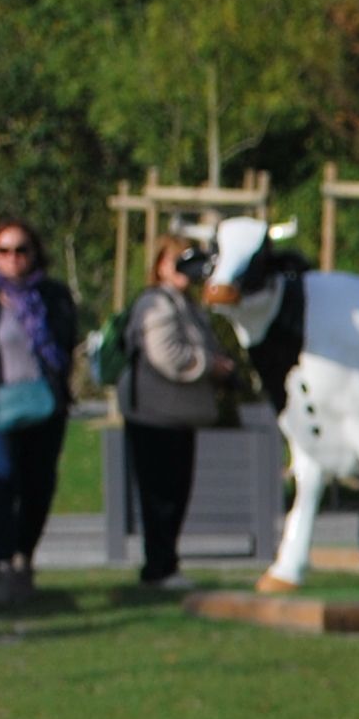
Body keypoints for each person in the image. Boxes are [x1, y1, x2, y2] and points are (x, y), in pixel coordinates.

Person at [116, 233, 238, 590]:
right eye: (176, 261)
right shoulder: (156, 303)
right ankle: (159, 568)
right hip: (154, 415)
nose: (186, 269)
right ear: (159, 266)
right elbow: (166, 355)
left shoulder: (187, 304)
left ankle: (165, 564)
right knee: (160, 496)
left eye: (190, 260)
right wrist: (210, 365)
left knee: (176, 493)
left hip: (179, 415)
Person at [0, 218, 80, 609]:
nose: (12, 258)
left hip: (45, 405)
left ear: (34, 253)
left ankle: (23, 556)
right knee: (1, 481)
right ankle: (2, 561)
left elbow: (65, 344)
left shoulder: (52, 296)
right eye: (3, 251)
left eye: (21, 250)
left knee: (38, 486)